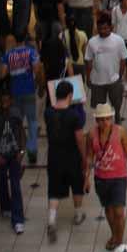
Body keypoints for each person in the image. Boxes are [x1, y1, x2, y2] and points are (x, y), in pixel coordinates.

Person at [87, 102, 127, 251]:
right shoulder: (91, 134)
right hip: (101, 178)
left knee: (119, 212)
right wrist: (86, 177)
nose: (105, 122)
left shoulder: (121, 132)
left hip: (119, 177)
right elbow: (89, 156)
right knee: (108, 210)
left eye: (108, 119)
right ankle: (114, 234)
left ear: (112, 118)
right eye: (102, 119)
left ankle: (119, 241)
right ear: (97, 120)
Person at [45, 80, 88, 243]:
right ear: (70, 95)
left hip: (54, 156)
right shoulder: (74, 116)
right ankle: (78, 215)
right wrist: (84, 158)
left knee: (54, 189)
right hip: (72, 157)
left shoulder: (48, 113)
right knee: (77, 185)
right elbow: (79, 139)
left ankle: (51, 219)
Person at [0, 85, 27, 233]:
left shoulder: (16, 114)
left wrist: (21, 151)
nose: (5, 104)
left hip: (14, 155)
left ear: (11, 101)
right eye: (2, 102)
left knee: (15, 185)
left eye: (7, 101)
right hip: (0, 155)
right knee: (2, 181)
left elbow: (21, 132)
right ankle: (5, 207)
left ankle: (18, 219)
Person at [1, 31, 41, 163]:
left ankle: (16, 148)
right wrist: (33, 80)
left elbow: (3, 74)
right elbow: (36, 68)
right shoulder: (31, 52)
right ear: (25, 38)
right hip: (29, 90)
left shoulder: (8, 55)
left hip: (15, 92)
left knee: (16, 121)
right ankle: (32, 149)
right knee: (32, 121)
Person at [86, 12, 127, 122]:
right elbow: (89, 60)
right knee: (99, 107)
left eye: (105, 28)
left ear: (111, 27)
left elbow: (123, 59)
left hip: (114, 79)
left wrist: (120, 74)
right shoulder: (92, 42)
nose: (102, 31)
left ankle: (117, 116)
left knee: (117, 101)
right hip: (97, 81)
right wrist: (88, 77)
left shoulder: (118, 40)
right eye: (100, 29)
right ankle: (101, 123)